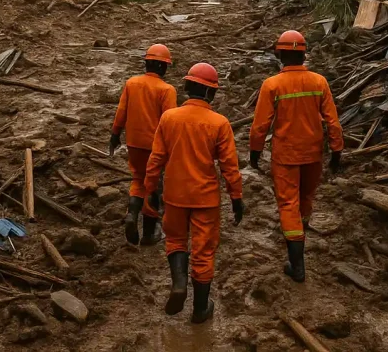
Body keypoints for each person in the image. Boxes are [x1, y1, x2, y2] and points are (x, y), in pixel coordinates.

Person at [145, 63, 243, 324]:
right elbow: (230, 167)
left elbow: (156, 159)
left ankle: (179, 283)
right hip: (205, 198)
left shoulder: (169, 118)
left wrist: (150, 188)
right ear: (211, 93)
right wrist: (236, 198)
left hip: (175, 195)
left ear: (187, 87)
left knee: (176, 240)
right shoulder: (220, 123)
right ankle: (200, 309)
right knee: (203, 252)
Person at [249, 30, 343, 283]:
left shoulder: (272, 85)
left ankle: (297, 264)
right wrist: (337, 150)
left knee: (288, 204)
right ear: (303, 54)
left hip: (286, 156)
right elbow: (333, 122)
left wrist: (255, 152)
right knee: (306, 198)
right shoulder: (319, 82)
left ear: (280, 55)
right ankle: (300, 234)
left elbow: (260, 126)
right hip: (313, 153)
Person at [110, 44, 178, 246]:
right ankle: (149, 233)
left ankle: (132, 212)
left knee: (138, 179)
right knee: (153, 186)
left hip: (133, 143)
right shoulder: (167, 90)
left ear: (146, 63)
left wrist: (115, 135)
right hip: (155, 147)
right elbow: (170, 122)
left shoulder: (132, 83)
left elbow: (121, 112)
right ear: (163, 67)